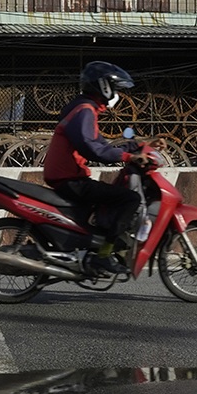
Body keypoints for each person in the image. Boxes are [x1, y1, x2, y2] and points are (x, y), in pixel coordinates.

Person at [43, 61, 143, 265]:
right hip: (71, 180)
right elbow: (93, 148)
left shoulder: (84, 110)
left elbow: (102, 144)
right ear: (103, 87)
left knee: (109, 197)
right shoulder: (84, 111)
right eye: (114, 88)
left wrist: (138, 146)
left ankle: (93, 245)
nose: (116, 94)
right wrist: (128, 157)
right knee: (130, 199)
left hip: (69, 179)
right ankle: (104, 254)